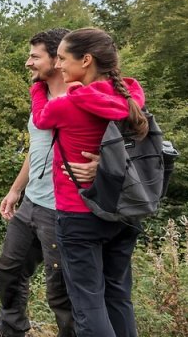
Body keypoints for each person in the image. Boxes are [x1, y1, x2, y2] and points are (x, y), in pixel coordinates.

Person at [0, 28, 98, 337]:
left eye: (34, 56)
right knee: (9, 268)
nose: (28, 62)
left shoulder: (83, 97)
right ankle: (10, 327)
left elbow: (125, 138)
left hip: (63, 209)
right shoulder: (41, 98)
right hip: (32, 203)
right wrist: (15, 190)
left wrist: (102, 163)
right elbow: (37, 147)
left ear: (57, 59)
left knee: (60, 290)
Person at [31, 27, 147, 337]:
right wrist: (109, 167)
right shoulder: (131, 96)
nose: (58, 66)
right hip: (124, 209)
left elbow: (41, 119)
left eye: (63, 59)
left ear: (86, 60)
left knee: (88, 305)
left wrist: (36, 87)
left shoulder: (69, 104)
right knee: (119, 298)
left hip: (80, 213)